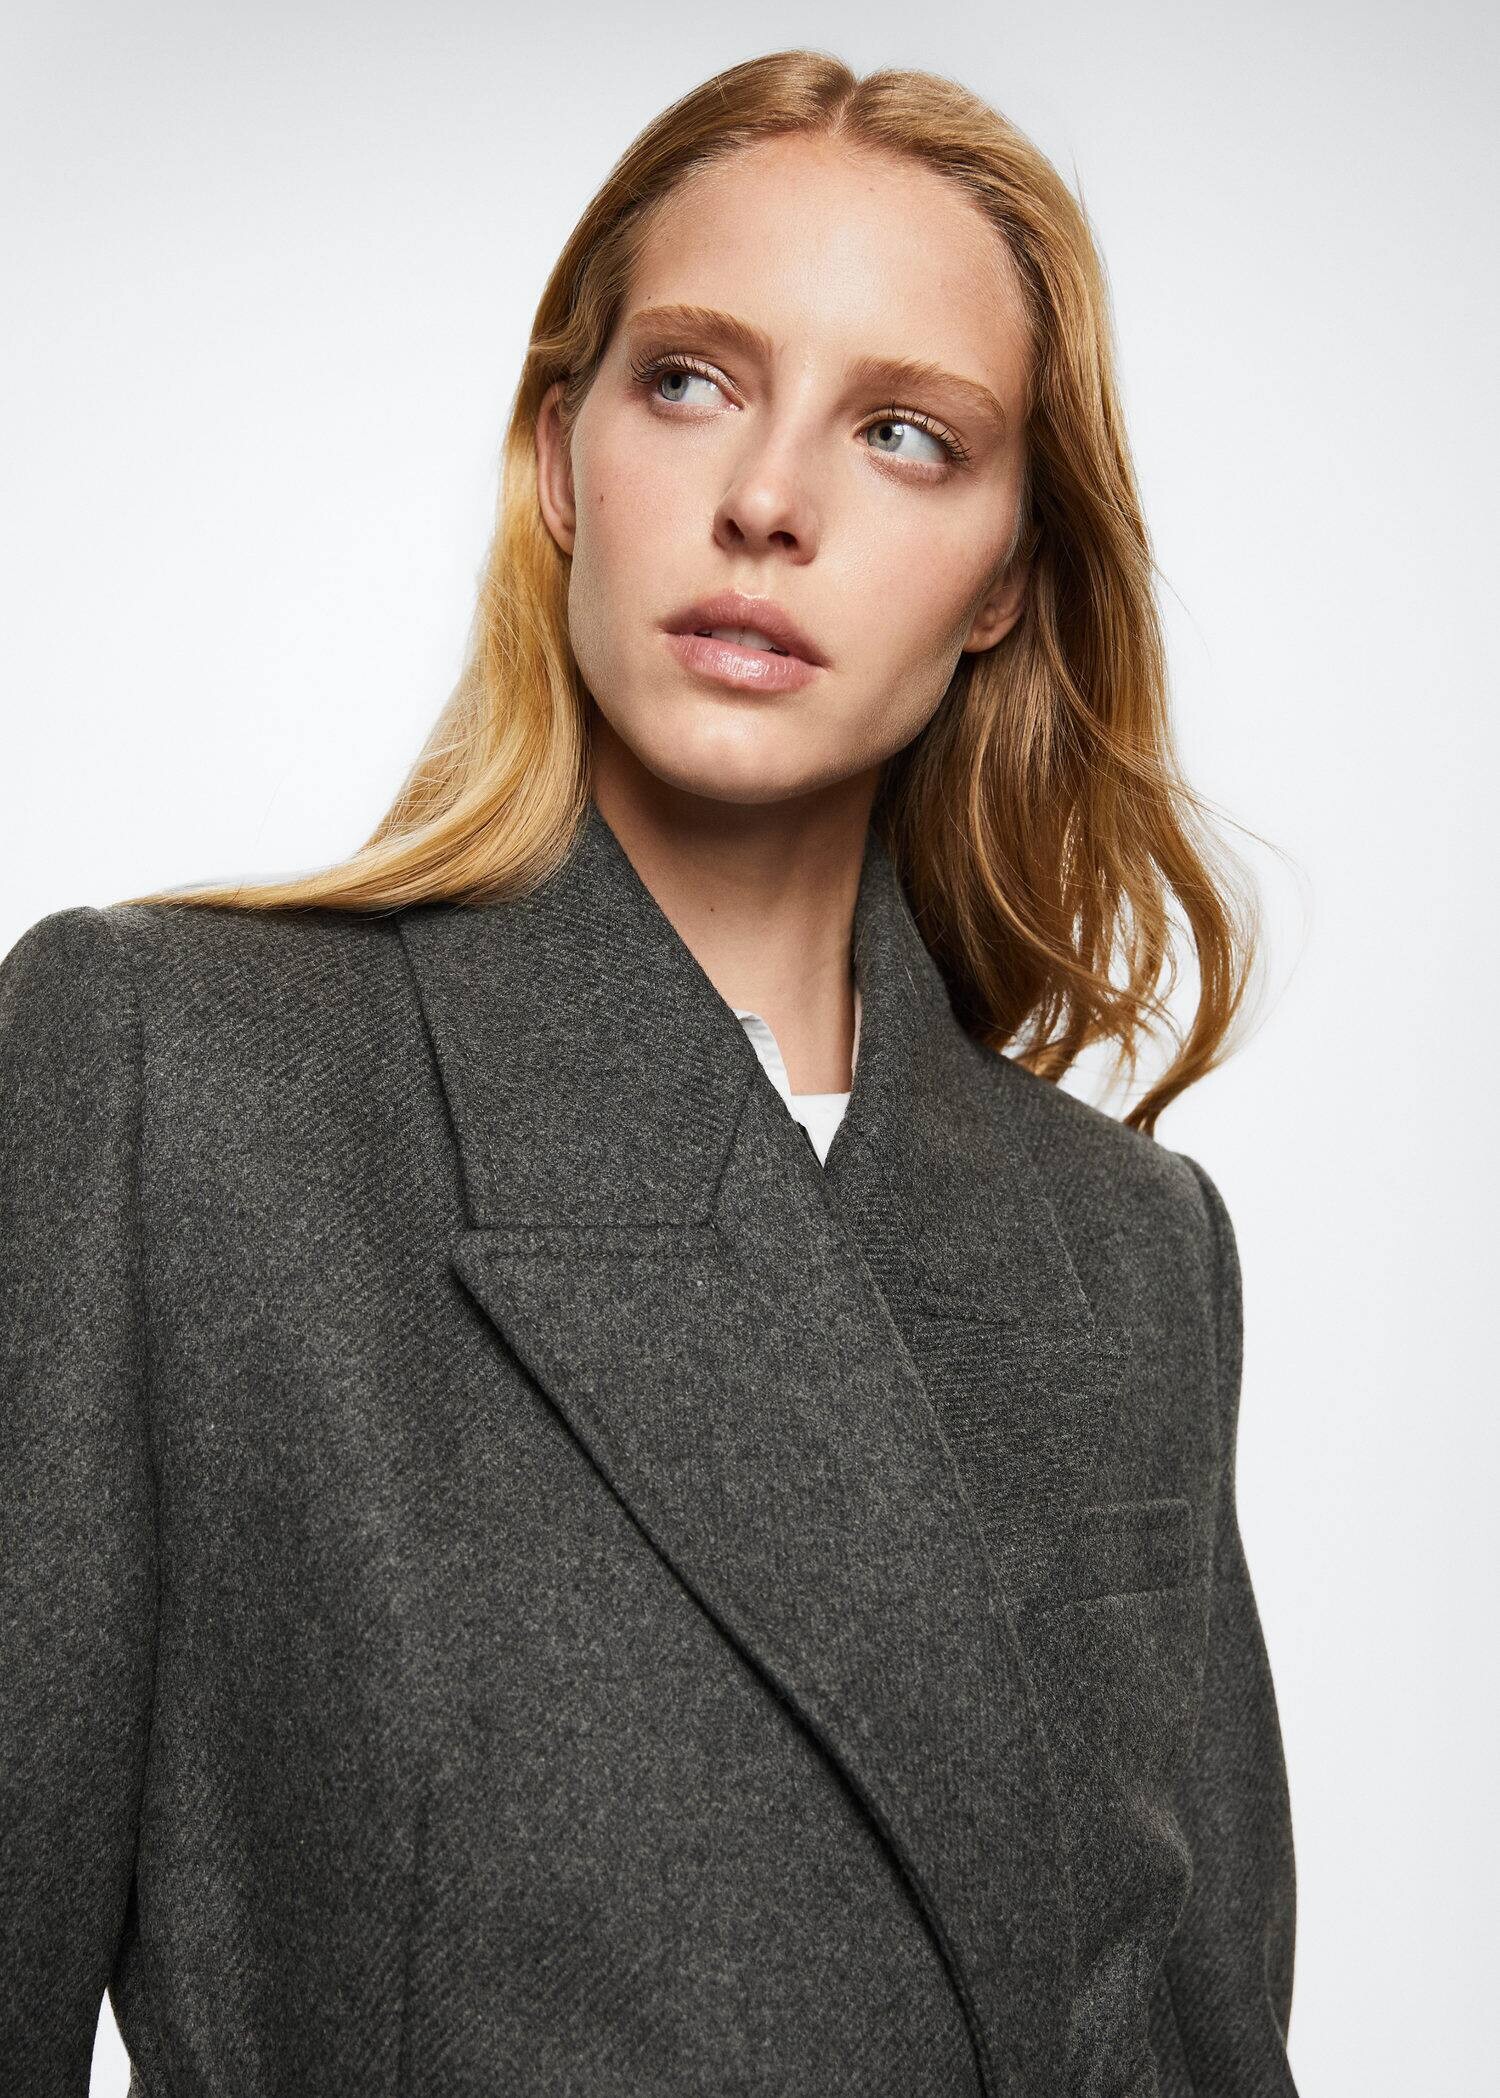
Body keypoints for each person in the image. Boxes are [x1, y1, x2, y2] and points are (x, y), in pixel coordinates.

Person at [0, 48, 1298, 2098]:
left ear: (1004, 579)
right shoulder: (182, 1078)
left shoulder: (1130, 1251)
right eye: (691, 379)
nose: (770, 500)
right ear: (559, 456)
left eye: (905, 433)